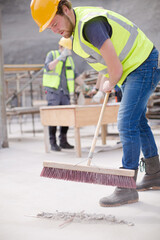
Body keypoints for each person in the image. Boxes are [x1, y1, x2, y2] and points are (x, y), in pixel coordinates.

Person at [30, 0, 160, 207]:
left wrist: (109, 83)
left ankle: (127, 186)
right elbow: (106, 64)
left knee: (126, 123)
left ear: (65, 9)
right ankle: (154, 174)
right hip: (132, 68)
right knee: (137, 122)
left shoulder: (90, 25)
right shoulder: (75, 34)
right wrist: (108, 81)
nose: (54, 30)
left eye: (54, 23)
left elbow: (114, 69)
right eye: (49, 27)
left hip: (142, 64)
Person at [43, 37, 88, 151]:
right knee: (53, 117)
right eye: (66, 48)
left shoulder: (69, 60)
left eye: (70, 49)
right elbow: (48, 67)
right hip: (53, 91)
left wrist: (85, 86)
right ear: (60, 47)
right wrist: (60, 57)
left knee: (66, 116)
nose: (68, 51)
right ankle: (52, 143)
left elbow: (75, 75)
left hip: (65, 93)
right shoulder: (52, 54)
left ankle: (63, 141)